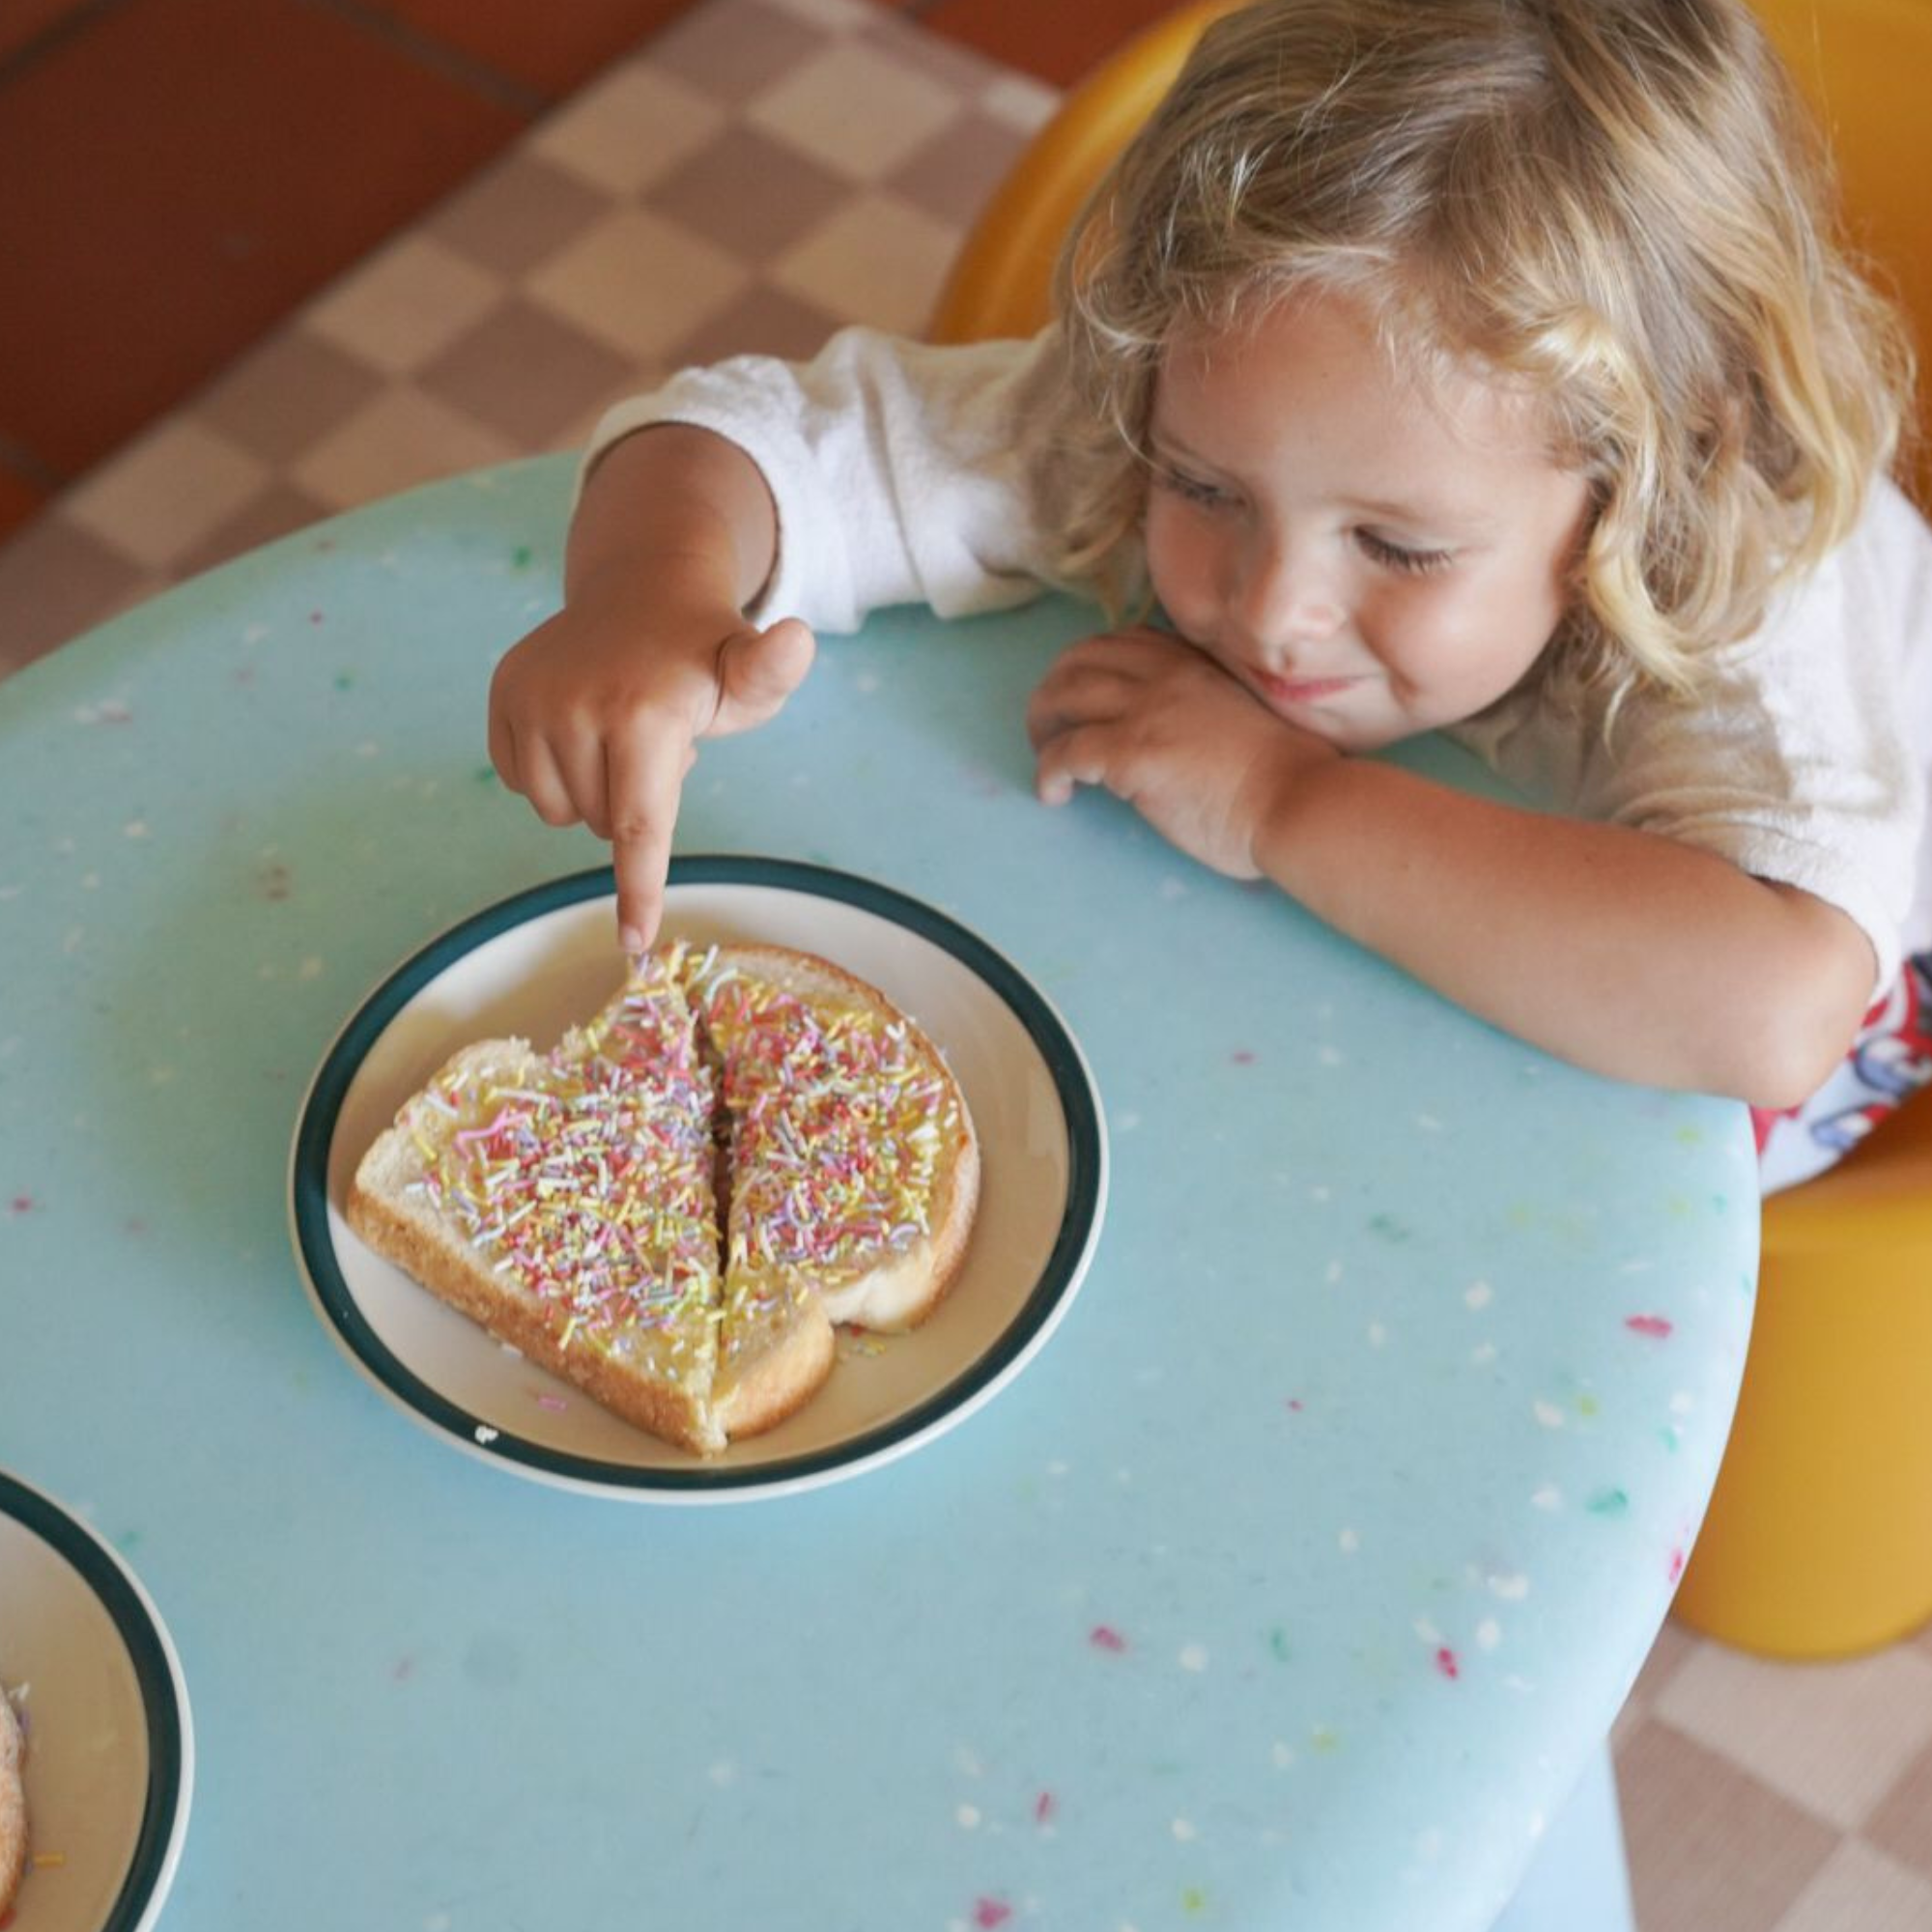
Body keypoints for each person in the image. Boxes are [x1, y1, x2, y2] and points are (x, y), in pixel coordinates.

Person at [486, 0, 1931, 1194]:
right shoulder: (1165, 412)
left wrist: (1279, 801)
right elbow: (749, 437)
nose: (1270, 608)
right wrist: (644, 597)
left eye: (1399, 548)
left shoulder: (1758, 603)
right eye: (1204, 489)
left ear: (1649, 481)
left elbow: (1771, 1010)